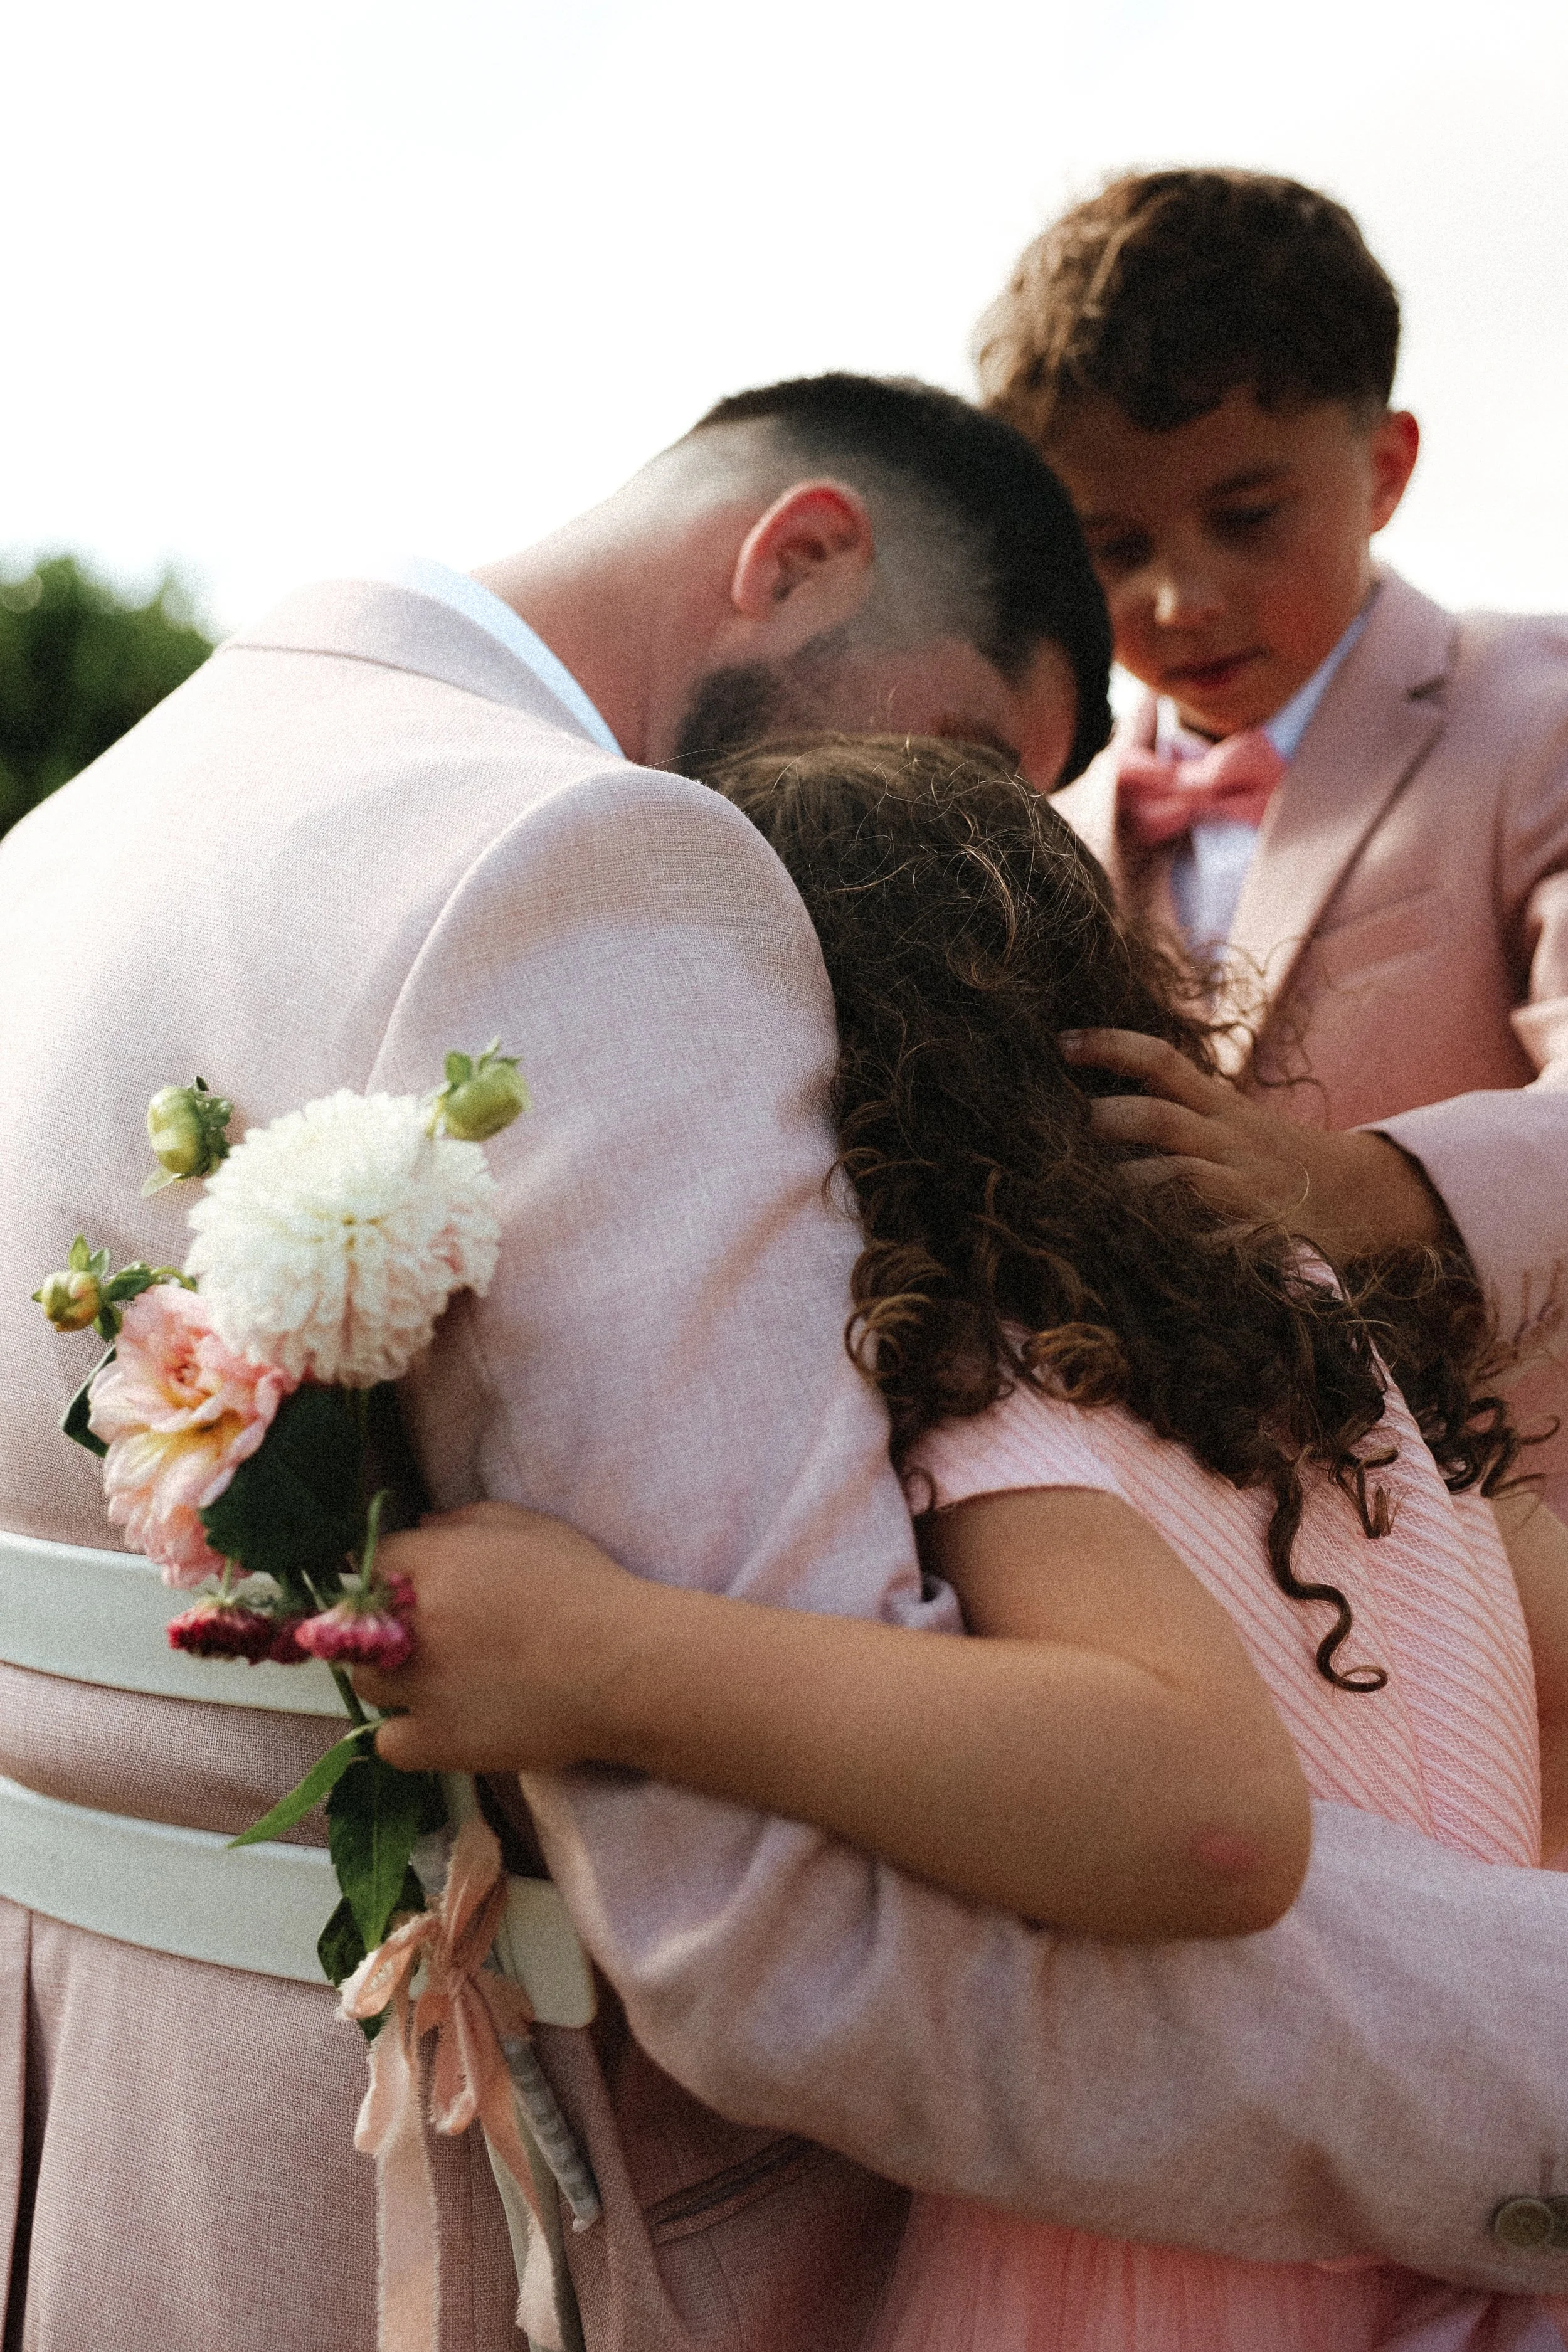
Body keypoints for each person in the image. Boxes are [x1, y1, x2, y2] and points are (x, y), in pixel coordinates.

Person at [1, 373, 1567, 2352]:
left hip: (127, 2190)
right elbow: (797, 1930)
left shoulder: (90, 824)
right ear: (800, 554)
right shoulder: (583, 865)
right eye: (969, 752)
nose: (953, 820)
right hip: (603, 2254)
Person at [358, 735, 1568, 2349]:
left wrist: (599, 1658)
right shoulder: (1307, 1320)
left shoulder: (1001, 1382)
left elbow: (1204, 1810)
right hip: (1455, 2211)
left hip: (1164, 2274)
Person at [973, 169, 1568, 1511]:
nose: (1180, 598)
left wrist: (1360, 1184)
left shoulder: (1539, 719)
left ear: (1385, 469)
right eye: (1112, 545)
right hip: (1227, 1562)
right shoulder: (1040, 822)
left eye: (1246, 519)